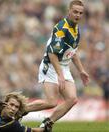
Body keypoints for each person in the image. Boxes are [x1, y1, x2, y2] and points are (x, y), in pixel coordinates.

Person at [26, 0, 89, 131]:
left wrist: (81, 70)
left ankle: (46, 124)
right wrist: (60, 75)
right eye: (75, 12)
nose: (78, 15)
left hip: (63, 66)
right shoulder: (61, 28)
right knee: (51, 102)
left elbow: (72, 52)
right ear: (69, 11)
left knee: (72, 99)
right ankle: (21, 110)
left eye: (80, 13)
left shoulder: (76, 28)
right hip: (51, 65)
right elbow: (52, 53)